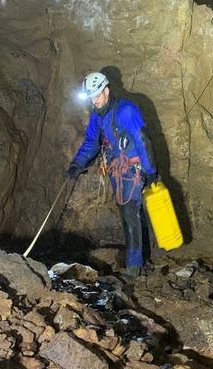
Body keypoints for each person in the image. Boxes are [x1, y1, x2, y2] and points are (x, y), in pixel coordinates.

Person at [67, 71, 158, 274]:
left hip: (133, 170)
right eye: (91, 97)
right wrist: (76, 164)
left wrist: (151, 171)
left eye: (97, 96)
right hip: (117, 170)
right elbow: (91, 142)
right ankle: (142, 258)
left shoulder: (126, 111)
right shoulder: (97, 116)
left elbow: (143, 140)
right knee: (129, 213)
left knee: (130, 214)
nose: (94, 101)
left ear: (106, 91)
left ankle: (134, 267)